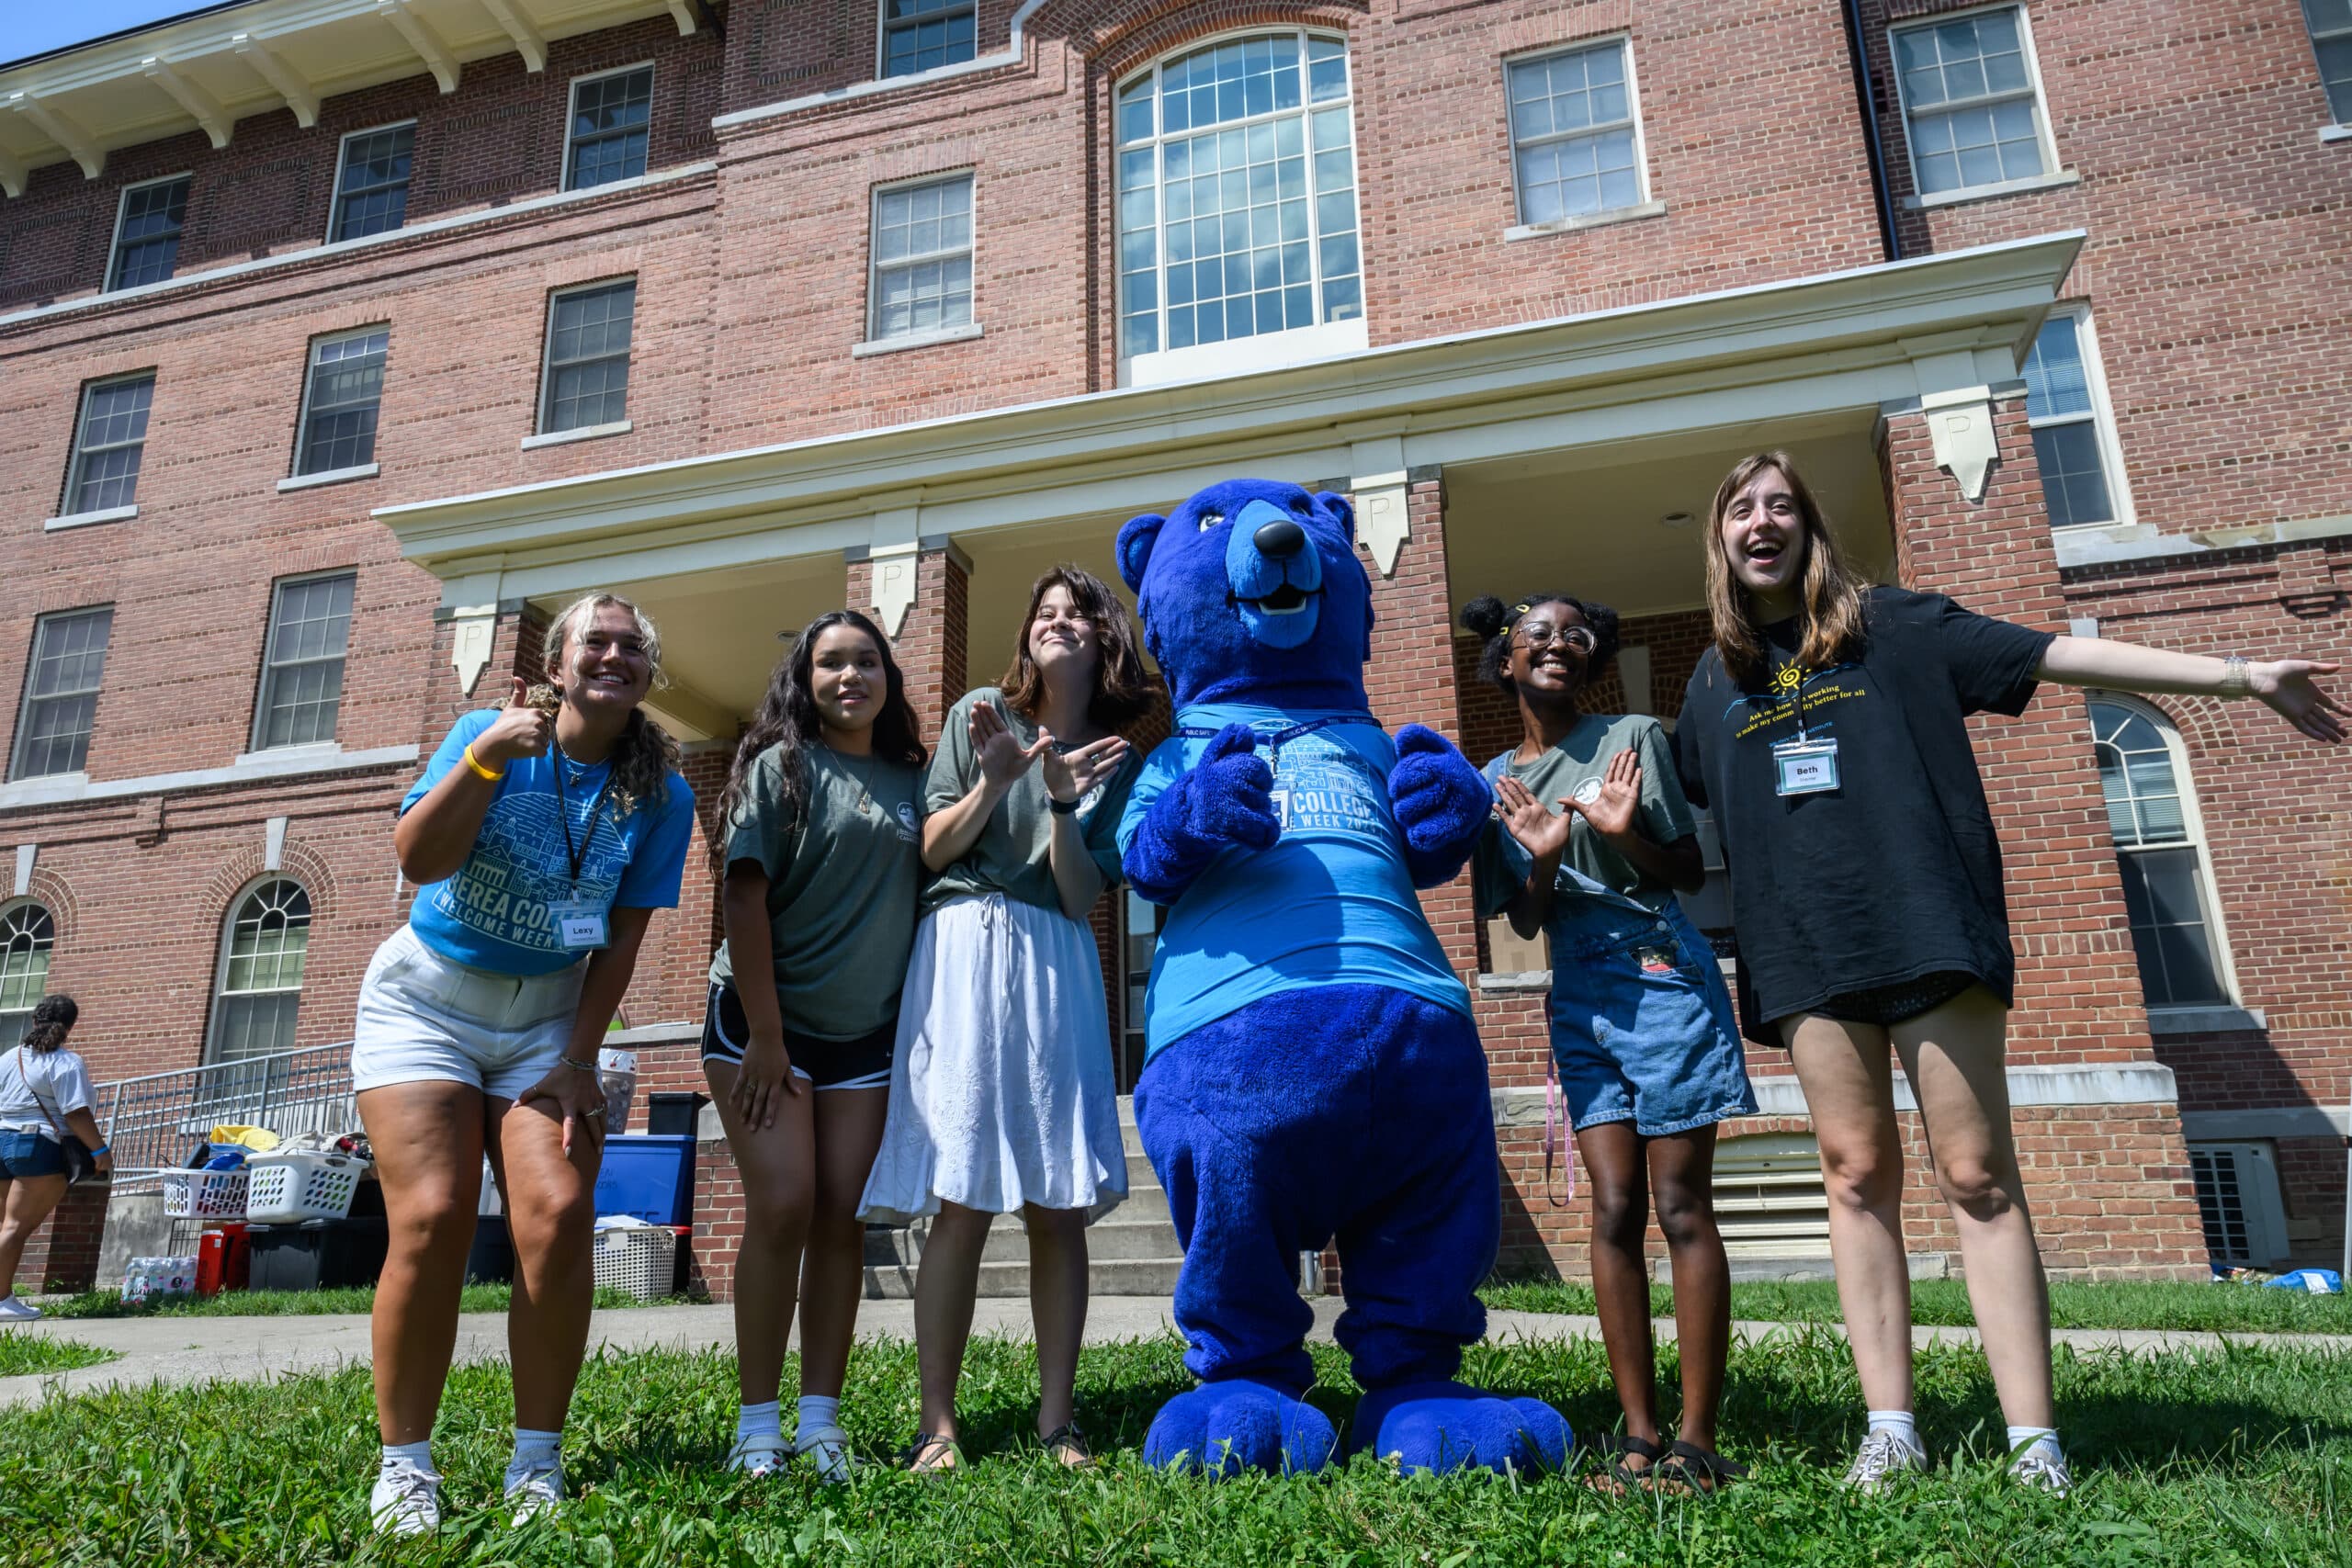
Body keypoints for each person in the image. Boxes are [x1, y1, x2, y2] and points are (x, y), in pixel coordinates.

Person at [1676, 451, 2346, 1495]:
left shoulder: (1895, 624)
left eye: (1780, 506)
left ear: (1809, 528)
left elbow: (2061, 656)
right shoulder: (1712, 678)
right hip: (1804, 953)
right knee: (1853, 1177)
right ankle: (1890, 1428)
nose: (1760, 522)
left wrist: (2240, 676)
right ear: (1718, 538)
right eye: (1740, 510)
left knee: (1976, 1176)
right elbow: (1675, 813)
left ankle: (2035, 1441)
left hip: (1927, 927)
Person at [357, 592, 695, 1535]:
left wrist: (582, 1059)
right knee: (432, 1217)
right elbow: (417, 859)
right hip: (427, 1002)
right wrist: (483, 759)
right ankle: (405, 1465)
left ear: (645, 673)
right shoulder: (486, 733)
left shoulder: (662, 792)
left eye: (633, 646)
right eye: (597, 640)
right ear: (557, 665)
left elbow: (623, 938)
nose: (614, 656)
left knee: (556, 1213)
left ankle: (535, 1459)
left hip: (548, 1016)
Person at [858, 565, 1152, 1472]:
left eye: (1077, 614)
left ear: (1105, 640)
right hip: (962, 944)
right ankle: (936, 1426)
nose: (1057, 622)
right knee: (960, 1194)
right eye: (1045, 611)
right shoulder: (980, 712)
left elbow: (1077, 896)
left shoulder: (1114, 756)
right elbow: (933, 848)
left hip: (1056, 958)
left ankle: (1057, 1423)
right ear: (1027, 635)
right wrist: (995, 782)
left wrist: (1062, 798)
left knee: (1057, 1203)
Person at [1464, 592, 1756, 1495]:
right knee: (1613, 1207)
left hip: (1661, 971)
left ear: (1589, 658)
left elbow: (1688, 870)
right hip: (1579, 992)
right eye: (1536, 635)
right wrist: (1546, 854)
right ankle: (1637, 1435)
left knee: (1678, 1206)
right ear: (1505, 661)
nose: (1558, 644)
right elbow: (1521, 912)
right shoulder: (1492, 783)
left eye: (1575, 634)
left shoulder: (1632, 737)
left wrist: (1625, 833)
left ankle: (1696, 1442)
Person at [703, 611, 928, 1482]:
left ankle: (821, 1422)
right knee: (787, 1203)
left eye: (867, 661)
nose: (850, 676)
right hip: (762, 1024)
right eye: (831, 663)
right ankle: (757, 1425)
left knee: (843, 1216)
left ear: (888, 678)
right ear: (806, 679)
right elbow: (743, 900)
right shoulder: (779, 767)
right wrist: (765, 1036)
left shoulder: (914, 782)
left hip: (864, 1034)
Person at [0, 997, 113, 1319]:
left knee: (5, 1227)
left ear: (35, 1019)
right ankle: (1, 1302)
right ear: (70, 1026)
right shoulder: (66, 1062)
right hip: (37, 1145)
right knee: (16, 1227)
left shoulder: (9, 1057)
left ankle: (4, 1298)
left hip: (2, 1140)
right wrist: (101, 1152)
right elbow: (75, 1113)